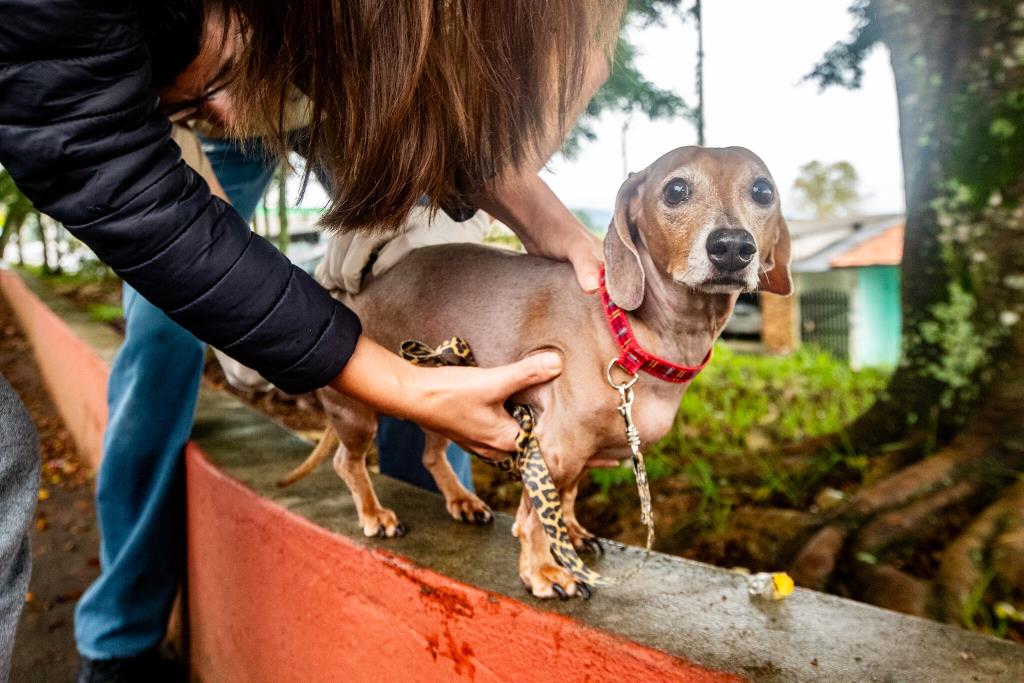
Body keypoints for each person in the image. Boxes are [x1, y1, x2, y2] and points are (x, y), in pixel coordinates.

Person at [0, 0, 620, 679]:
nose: (231, 109)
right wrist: (274, 343)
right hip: (195, 110)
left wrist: (550, 222)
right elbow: (170, 236)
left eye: (219, 77)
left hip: (334, 84)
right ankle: (121, 633)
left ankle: (439, 573)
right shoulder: (100, 68)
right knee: (162, 333)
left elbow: (436, 119)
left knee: (431, 308)